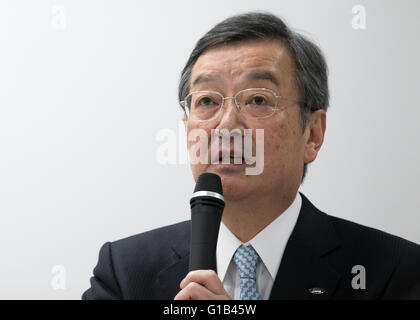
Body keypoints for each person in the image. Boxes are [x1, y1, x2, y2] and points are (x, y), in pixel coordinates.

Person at [82, 12, 420, 300]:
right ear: (186, 129)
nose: (227, 124)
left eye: (258, 99)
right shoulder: (125, 272)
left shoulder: (392, 272)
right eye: (207, 101)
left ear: (313, 134)